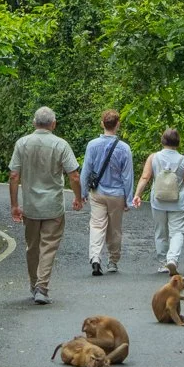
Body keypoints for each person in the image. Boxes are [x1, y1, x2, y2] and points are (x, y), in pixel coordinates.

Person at [8, 106, 83, 304]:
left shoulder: (22, 143)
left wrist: (15, 204)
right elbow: (74, 175)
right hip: (53, 206)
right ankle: (42, 286)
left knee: (32, 247)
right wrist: (78, 197)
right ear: (53, 124)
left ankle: (34, 285)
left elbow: (14, 175)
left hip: (31, 206)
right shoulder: (61, 145)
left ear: (34, 123)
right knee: (48, 247)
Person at [132, 127, 184, 274]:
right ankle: (172, 259)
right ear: (178, 143)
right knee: (177, 231)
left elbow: (145, 177)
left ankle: (163, 262)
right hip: (177, 202)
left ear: (162, 140)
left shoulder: (154, 157)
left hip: (158, 201)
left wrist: (137, 195)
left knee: (160, 231)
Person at [82, 110, 133, 276]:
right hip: (117, 193)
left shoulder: (92, 145)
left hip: (97, 192)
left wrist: (82, 192)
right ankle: (113, 260)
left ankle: (95, 257)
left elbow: (86, 171)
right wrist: (128, 199)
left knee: (97, 225)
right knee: (115, 229)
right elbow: (127, 176)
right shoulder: (124, 148)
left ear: (102, 124)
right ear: (117, 125)